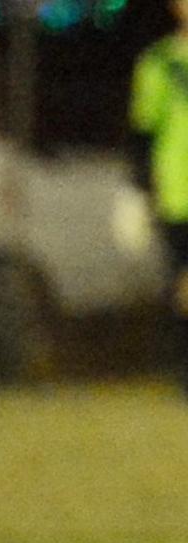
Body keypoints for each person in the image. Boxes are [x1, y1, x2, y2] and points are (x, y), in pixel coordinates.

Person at [130, 0, 188, 393]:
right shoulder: (159, 62)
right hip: (179, 193)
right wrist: (135, 191)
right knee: (184, 286)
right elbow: (142, 134)